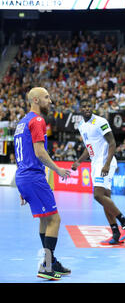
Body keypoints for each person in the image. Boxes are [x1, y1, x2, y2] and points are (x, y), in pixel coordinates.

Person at [14, 87, 71, 280]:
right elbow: (39, 152)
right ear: (36, 100)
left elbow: (21, 154)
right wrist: (57, 169)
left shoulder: (21, 123)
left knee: (45, 219)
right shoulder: (37, 120)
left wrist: (22, 186)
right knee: (55, 220)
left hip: (24, 176)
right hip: (33, 177)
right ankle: (47, 266)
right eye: (46, 97)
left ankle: (51, 261)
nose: (50, 101)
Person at [71, 99, 125, 245]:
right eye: (84, 106)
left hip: (105, 162)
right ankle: (116, 233)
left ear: (92, 107)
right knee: (106, 199)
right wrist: (79, 162)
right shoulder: (81, 125)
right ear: (80, 110)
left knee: (98, 195)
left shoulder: (100, 121)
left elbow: (112, 143)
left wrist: (106, 164)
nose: (87, 108)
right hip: (95, 163)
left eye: (89, 105)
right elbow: (89, 148)